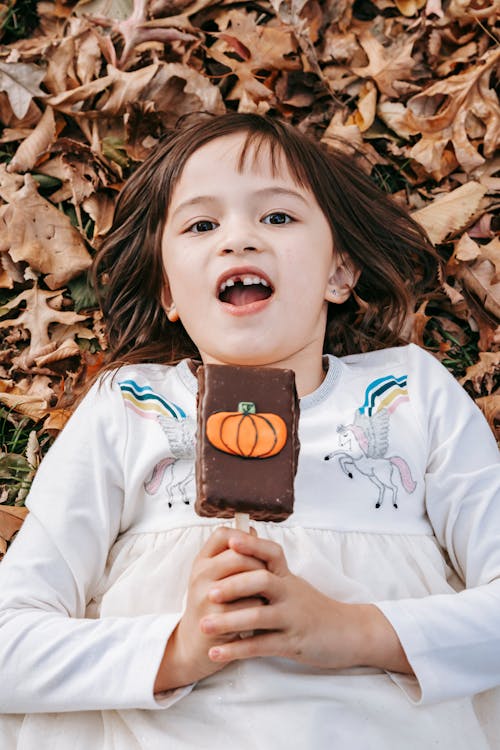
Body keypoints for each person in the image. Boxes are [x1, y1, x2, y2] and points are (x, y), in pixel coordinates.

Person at [0, 112, 499, 750]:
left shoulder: (410, 393)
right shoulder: (126, 407)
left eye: (277, 217)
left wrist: (350, 631)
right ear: (168, 291)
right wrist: (178, 648)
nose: (238, 240)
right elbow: (14, 644)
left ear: (339, 273)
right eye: (202, 224)